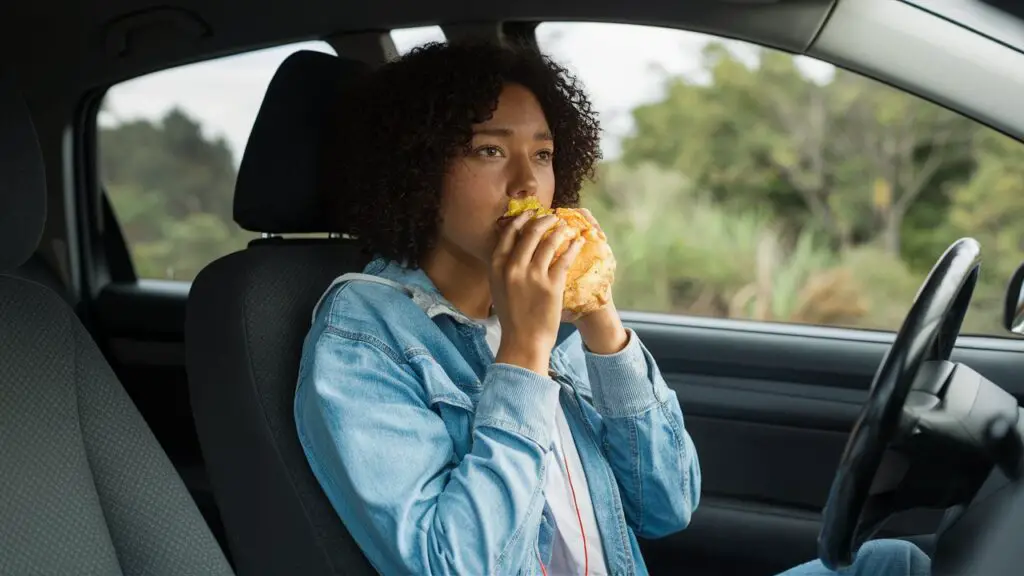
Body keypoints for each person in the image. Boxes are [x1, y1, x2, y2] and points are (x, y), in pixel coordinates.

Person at [294, 41, 931, 576]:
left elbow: (667, 504)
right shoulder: (365, 335)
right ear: (415, 171)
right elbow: (457, 563)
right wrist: (523, 354)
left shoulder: (545, 303)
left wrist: (598, 319)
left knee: (895, 562)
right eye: (489, 150)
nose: (526, 183)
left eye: (542, 154)